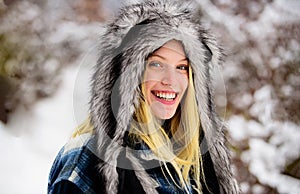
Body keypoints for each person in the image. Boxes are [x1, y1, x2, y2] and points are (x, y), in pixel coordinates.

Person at [48, 0, 240, 193]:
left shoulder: (192, 161)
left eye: (182, 67)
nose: (171, 80)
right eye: (156, 64)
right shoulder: (87, 161)